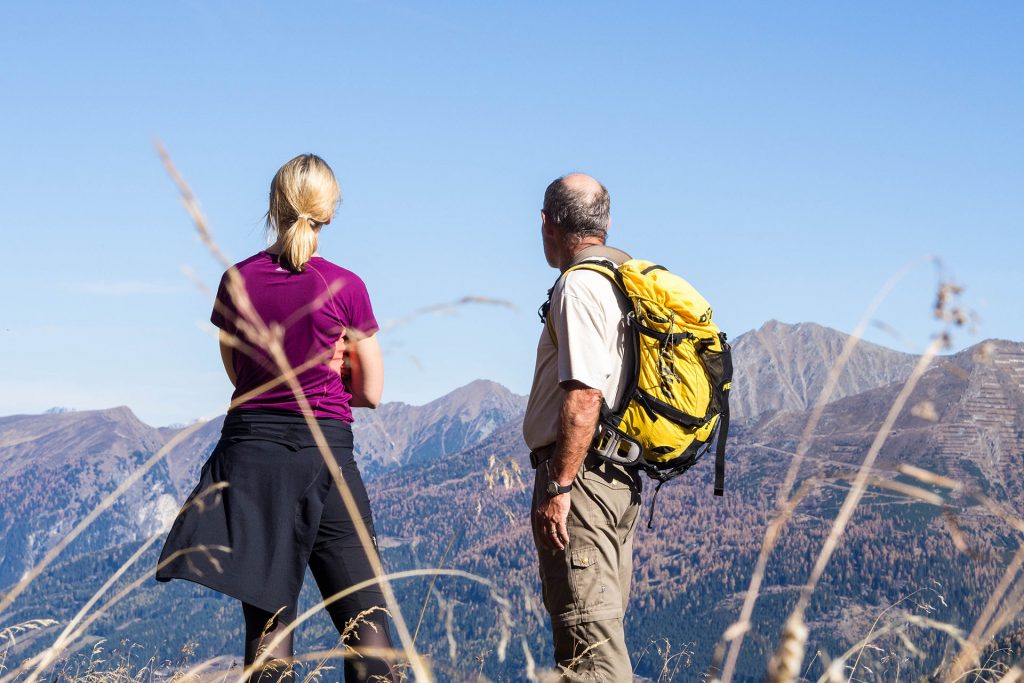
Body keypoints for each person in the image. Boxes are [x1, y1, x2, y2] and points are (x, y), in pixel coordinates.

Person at [156, 154, 397, 683]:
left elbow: (238, 374)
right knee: (366, 620)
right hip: (323, 452)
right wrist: (331, 378)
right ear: (329, 213)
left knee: (268, 623)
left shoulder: (236, 281)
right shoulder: (346, 286)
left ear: (274, 206)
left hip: (249, 458)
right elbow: (372, 391)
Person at [524, 173, 642, 681]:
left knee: (590, 652)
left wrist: (558, 485)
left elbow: (583, 397)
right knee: (597, 630)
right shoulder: (624, 283)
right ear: (606, 223)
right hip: (618, 478)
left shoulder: (579, 286)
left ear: (547, 224)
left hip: (584, 482)